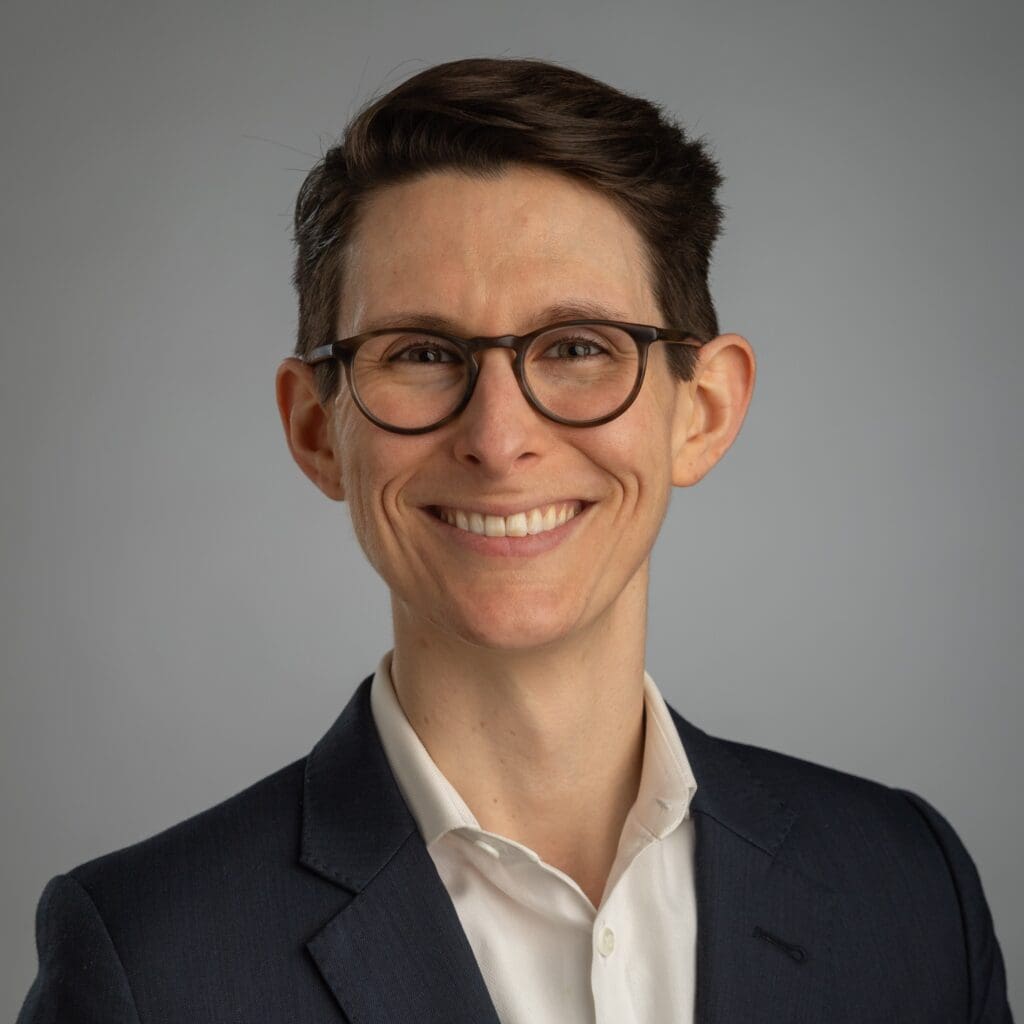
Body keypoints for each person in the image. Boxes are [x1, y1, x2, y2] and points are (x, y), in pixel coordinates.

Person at [17, 56, 1012, 1024]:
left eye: (577, 347)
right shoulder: (147, 963)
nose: (498, 440)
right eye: (421, 353)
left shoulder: (909, 888)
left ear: (702, 412)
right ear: (318, 430)